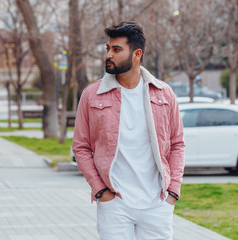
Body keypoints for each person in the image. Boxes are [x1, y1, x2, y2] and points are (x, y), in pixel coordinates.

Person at [72, 22, 185, 240]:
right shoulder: (92, 95)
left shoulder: (164, 93)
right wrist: (100, 190)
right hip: (115, 203)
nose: (108, 55)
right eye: (107, 49)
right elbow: (81, 146)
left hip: (156, 202)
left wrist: (172, 191)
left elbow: (177, 143)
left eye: (116, 50)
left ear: (136, 54)